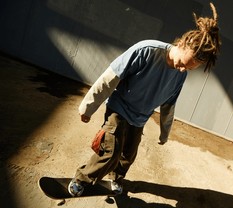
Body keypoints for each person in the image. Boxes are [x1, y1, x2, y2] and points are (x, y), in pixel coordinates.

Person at [68, 2, 221, 196]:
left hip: (139, 118)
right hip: (119, 107)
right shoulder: (147, 50)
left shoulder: (181, 75)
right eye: (183, 63)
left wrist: (164, 133)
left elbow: (169, 105)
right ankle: (81, 178)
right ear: (181, 44)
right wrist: (88, 107)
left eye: (189, 69)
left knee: (127, 157)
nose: (182, 70)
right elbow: (110, 77)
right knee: (111, 153)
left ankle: (116, 179)